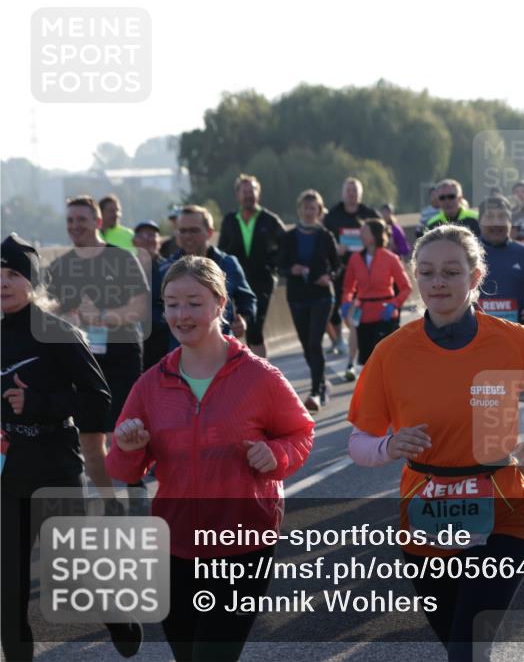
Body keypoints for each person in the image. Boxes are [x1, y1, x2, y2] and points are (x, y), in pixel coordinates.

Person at [347, 224, 524, 662]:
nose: (438, 282)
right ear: (415, 278)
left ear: (476, 276)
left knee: (467, 647)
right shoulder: (391, 352)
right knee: (457, 643)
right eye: (427, 273)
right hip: (426, 516)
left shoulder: (515, 341)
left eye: (451, 271)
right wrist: (389, 447)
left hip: (502, 508)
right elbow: (359, 443)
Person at [107, 255, 314, 662]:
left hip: (243, 543)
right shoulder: (151, 384)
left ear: (220, 304)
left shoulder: (260, 377)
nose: (181, 315)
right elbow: (120, 466)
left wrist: (275, 454)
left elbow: (301, 433)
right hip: (174, 544)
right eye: (171, 303)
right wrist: (129, 449)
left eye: (194, 302)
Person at [1, 233, 143, 661]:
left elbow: (98, 398)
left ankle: (118, 614)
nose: (2, 282)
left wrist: (39, 403)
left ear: (33, 281)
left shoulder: (57, 333)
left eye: (12, 274)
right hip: (10, 475)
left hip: (56, 468)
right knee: (8, 591)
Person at [47, 195, 150, 502]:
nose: (75, 226)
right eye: (70, 221)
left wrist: (104, 317)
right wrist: (60, 315)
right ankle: (110, 502)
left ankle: (135, 486)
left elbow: (140, 307)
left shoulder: (122, 259)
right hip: (82, 362)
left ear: (98, 223)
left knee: (124, 430)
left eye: (82, 219)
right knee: (90, 441)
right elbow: (49, 309)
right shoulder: (61, 266)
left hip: (121, 357)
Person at [279, 190, 341, 411]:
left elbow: (337, 265)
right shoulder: (289, 237)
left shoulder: (325, 236)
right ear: (300, 210)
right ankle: (322, 380)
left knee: (315, 342)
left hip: (322, 296)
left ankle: (316, 390)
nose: (308, 212)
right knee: (307, 346)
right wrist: (291, 269)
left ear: (319, 211)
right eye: (305, 208)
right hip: (297, 297)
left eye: (313, 208)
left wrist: (329, 277)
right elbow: (280, 266)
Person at [162, 205, 257, 344]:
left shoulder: (228, 264)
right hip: (181, 350)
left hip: (222, 349)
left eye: (194, 230)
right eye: (182, 231)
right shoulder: (166, 268)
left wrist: (243, 318)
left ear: (209, 232)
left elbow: (248, 299)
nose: (187, 236)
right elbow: (153, 307)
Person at [218, 174, 286, 359]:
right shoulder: (230, 221)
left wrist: (275, 266)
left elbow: (286, 246)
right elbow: (221, 251)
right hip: (235, 283)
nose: (249, 195)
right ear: (238, 195)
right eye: (245, 191)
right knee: (234, 328)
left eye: (252, 191)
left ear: (259, 193)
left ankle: (263, 373)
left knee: (255, 327)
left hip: (262, 282)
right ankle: (245, 371)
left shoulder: (270, 220)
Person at [340, 219, 412, 381]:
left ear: (374, 235)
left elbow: (406, 287)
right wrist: (346, 302)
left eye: (364, 231)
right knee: (367, 360)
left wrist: (394, 304)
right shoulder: (355, 259)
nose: (360, 234)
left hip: (385, 313)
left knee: (387, 359)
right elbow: (348, 287)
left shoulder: (390, 258)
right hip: (364, 314)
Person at [323, 177, 380, 359]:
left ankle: (361, 336)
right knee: (338, 306)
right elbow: (324, 241)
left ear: (360, 194)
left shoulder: (369, 214)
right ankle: (340, 338)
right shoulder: (332, 215)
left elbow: (382, 237)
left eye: (355, 190)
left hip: (366, 268)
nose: (351, 193)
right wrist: (335, 249)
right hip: (340, 268)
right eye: (348, 190)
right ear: (342, 193)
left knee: (363, 306)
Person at [478, 196, 524, 334]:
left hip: (516, 337)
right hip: (476, 339)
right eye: (490, 217)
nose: (496, 223)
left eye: (502, 217)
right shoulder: (464, 255)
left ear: (510, 222)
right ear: (479, 222)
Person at [133, 220, 170, 370]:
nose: (148, 239)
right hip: (134, 341)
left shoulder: (170, 269)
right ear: (135, 242)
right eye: (143, 235)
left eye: (152, 235)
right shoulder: (126, 269)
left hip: (162, 341)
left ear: (159, 241)